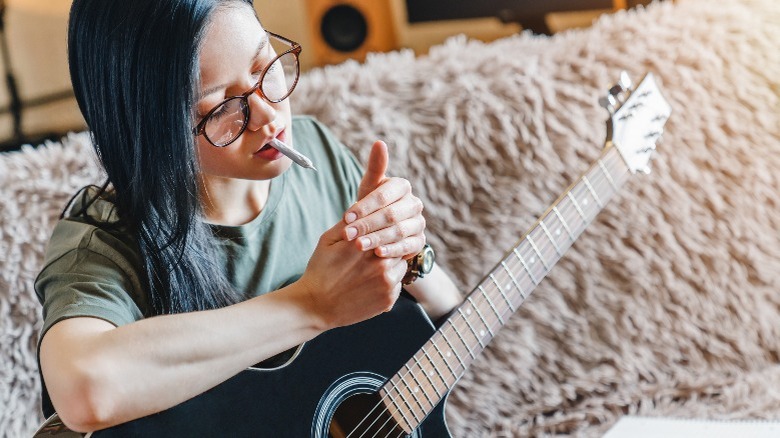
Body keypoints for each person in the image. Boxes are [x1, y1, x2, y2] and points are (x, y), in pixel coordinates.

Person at [35, 0, 462, 433]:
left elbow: (447, 313)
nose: (267, 115)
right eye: (220, 108)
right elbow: (84, 390)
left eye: (264, 67)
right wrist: (312, 304)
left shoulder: (316, 149)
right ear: (149, 126)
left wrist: (407, 251)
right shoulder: (104, 240)